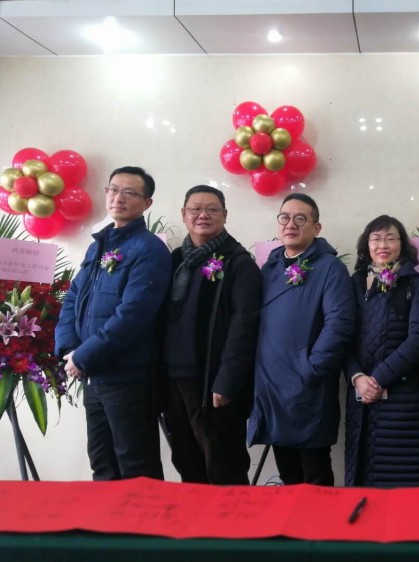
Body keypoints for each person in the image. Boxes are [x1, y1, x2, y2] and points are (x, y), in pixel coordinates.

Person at [55, 166, 170, 480]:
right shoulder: (98, 246)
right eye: (114, 189)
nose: (118, 198)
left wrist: (84, 356)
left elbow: (134, 314)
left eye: (129, 192)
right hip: (94, 374)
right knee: (102, 462)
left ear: (146, 203)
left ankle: (144, 515)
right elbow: (73, 298)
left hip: (127, 377)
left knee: (136, 465)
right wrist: (70, 350)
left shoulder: (149, 249)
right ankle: (105, 515)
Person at [248, 193, 355, 486]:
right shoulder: (270, 267)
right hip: (271, 384)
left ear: (316, 227)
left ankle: (321, 519)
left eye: (300, 218)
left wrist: (312, 368)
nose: (290, 224)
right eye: (285, 217)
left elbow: (340, 323)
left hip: (308, 384)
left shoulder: (329, 267)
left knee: (314, 474)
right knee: (288, 473)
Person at [161, 185, 261, 485]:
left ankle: (233, 516)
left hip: (212, 382)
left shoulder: (239, 263)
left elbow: (244, 329)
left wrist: (227, 381)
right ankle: (197, 515)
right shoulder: (176, 259)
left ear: (225, 215)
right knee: (186, 460)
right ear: (184, 214)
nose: (202, 215)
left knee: (223, 463)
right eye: (195, 209)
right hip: (172, 379)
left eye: (211, 209)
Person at [344, 215, 419, 487]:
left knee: (401, 480)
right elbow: (343, 337)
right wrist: (357, 378)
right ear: (367, 245)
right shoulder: (355, 282)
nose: (383, 245)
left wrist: (377, 379)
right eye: (376, 238)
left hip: (401, 397)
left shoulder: (416, 283)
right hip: (360, 396)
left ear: (402, 244)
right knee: (360, 477)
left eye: (390, 238)